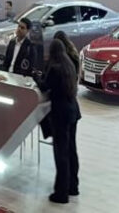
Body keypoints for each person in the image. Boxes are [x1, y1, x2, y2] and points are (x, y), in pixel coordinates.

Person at [34, 40, 81, 204]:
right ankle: (73, 186)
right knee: (71, 150)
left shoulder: (54, 68)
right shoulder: (69, 65)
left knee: (61, 153)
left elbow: (45, 87)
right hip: (73, 111)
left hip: (60, 114)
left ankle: (61, 193)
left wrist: (36, 77)